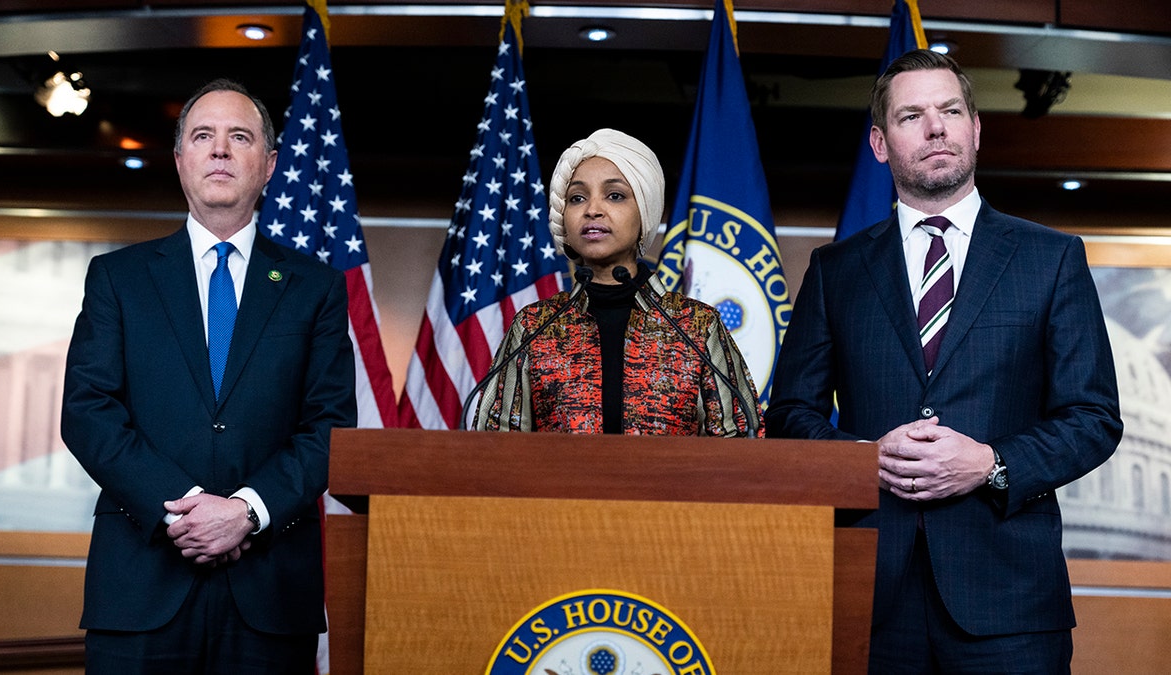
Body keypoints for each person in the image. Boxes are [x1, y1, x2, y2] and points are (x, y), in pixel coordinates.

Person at [764, 50, 1122, 673]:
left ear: (975, 128)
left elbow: (1093, 417)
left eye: (950, 110)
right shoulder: (836, 272)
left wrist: (990, 463)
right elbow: (791, 414)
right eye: (911, 115)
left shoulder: (1051, 259)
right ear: (880, 143)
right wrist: (864, 459)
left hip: (1010, 606)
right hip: (871, 597)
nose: (935, 127)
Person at [61, 79, 356, 673]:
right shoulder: (118, 278)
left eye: (239, 137)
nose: (220, 150)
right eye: (203, 136)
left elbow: (328, 425)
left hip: (269, 595)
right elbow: (87, 412)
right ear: (180, 160)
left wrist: (246, 511)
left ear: (269, 164)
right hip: (141, 588)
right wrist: (190, 509)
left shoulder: (316, 288)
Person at [472, 128, 759, 436]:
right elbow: (494, 445)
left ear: (644, 214)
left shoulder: (696, 325)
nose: (593, 210)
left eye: (615, 196)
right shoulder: (534, 326)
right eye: (577, 198)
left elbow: (740, 440)